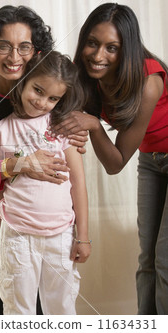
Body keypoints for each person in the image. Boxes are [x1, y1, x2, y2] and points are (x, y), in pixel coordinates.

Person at [0, 5, 87, 315]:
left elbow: (72, 111)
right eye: (4, 45)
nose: (14, 57)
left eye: (24, 47)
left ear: (36, 52)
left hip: (50, 208)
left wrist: (80, 125)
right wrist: (21, 164)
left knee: (51, 281)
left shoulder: (46, 90)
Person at [52, 3, 168, 315]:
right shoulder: (88, 77)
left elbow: (115, 163)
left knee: (165, 259)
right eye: (92, 42)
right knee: (147, 259)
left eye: (111, 48)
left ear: (126, 49)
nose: (98, 55)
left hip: (154, 156)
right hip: (152, 160)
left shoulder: (148, 81)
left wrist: (91, 124)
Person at [0, 51, 91, 315]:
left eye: (53, 98)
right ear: (24, 81)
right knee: (17, 309)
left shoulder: (63, 128)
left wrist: (84, 236)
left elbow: (78, 183)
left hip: (61, 234)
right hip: (18, 235)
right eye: (38, 90)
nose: (42, 102)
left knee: (62, 307)